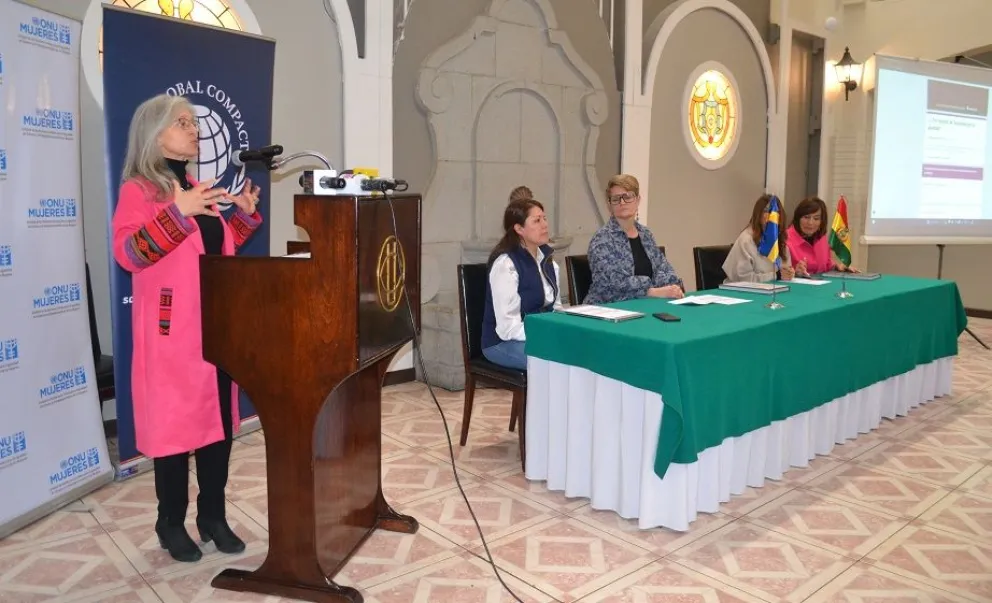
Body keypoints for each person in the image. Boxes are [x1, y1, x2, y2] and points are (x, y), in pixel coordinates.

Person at [111, 94, 263, 563]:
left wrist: (238, 213)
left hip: (216, 329)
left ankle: (212, 517)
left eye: (195, 123)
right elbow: (130, 253)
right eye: (183, 123)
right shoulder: (140, 189)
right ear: (155, 134)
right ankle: (170, 521)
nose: (193, 130)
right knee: (175, 433)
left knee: (218, 425)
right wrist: (179, 211)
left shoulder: (195, 185)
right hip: (172, 336)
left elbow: (212, 248)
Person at [481, 198, 561, 370]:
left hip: (538, 334)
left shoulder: (548, 260)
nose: (545, 225)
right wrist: (544, 334)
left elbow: (556, 307)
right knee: (553, 361)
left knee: (578, 352)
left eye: (545, 218)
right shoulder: (506, 264)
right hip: (502, 343)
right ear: (519, 229)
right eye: (537, 220)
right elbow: (507, 327)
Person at [583, 174, 683, 304]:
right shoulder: (601, 239)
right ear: (609, 204)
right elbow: (612, 284)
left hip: (646, 305)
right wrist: (652, 291)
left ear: (638, 200)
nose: (622, 202)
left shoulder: (645, 234)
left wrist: (672, 286)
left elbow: (663, 268)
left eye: (627, 197)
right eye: (616, 199)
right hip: (607, 310)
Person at [723, 194, 795, 283]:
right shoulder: (746, 240)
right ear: (758, 214)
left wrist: (789, 273)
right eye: (766, 211)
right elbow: (743, 280)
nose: (771, 215)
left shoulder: (779, 240)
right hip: (740, 292)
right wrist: (776, 275)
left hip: (771, 290)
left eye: (775, 211)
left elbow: (785, 271)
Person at [786, 197, 859, 276]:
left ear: (822, 221)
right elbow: (776, 272)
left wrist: (836, 266)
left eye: (816, 218)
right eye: (806, 217)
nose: (810, 223)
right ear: (797, 218)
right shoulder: (784, 239)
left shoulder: (821, 238)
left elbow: (826, 264)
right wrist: (794, 272)